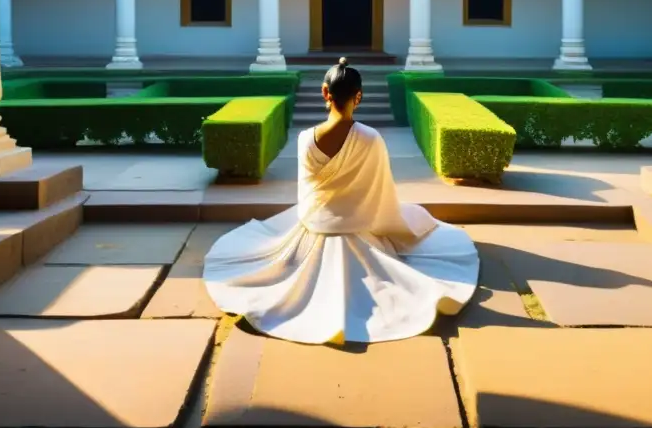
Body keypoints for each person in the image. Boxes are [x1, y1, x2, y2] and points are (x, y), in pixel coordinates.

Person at [203, 57, 480, 345]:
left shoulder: (305, 138)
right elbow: (381, 192)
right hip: (361, 226)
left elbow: (307, 195)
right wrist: (385, 223)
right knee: (416, 218)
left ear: (325, 92)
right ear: (358, 96)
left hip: (314, 226)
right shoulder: (371, 138)